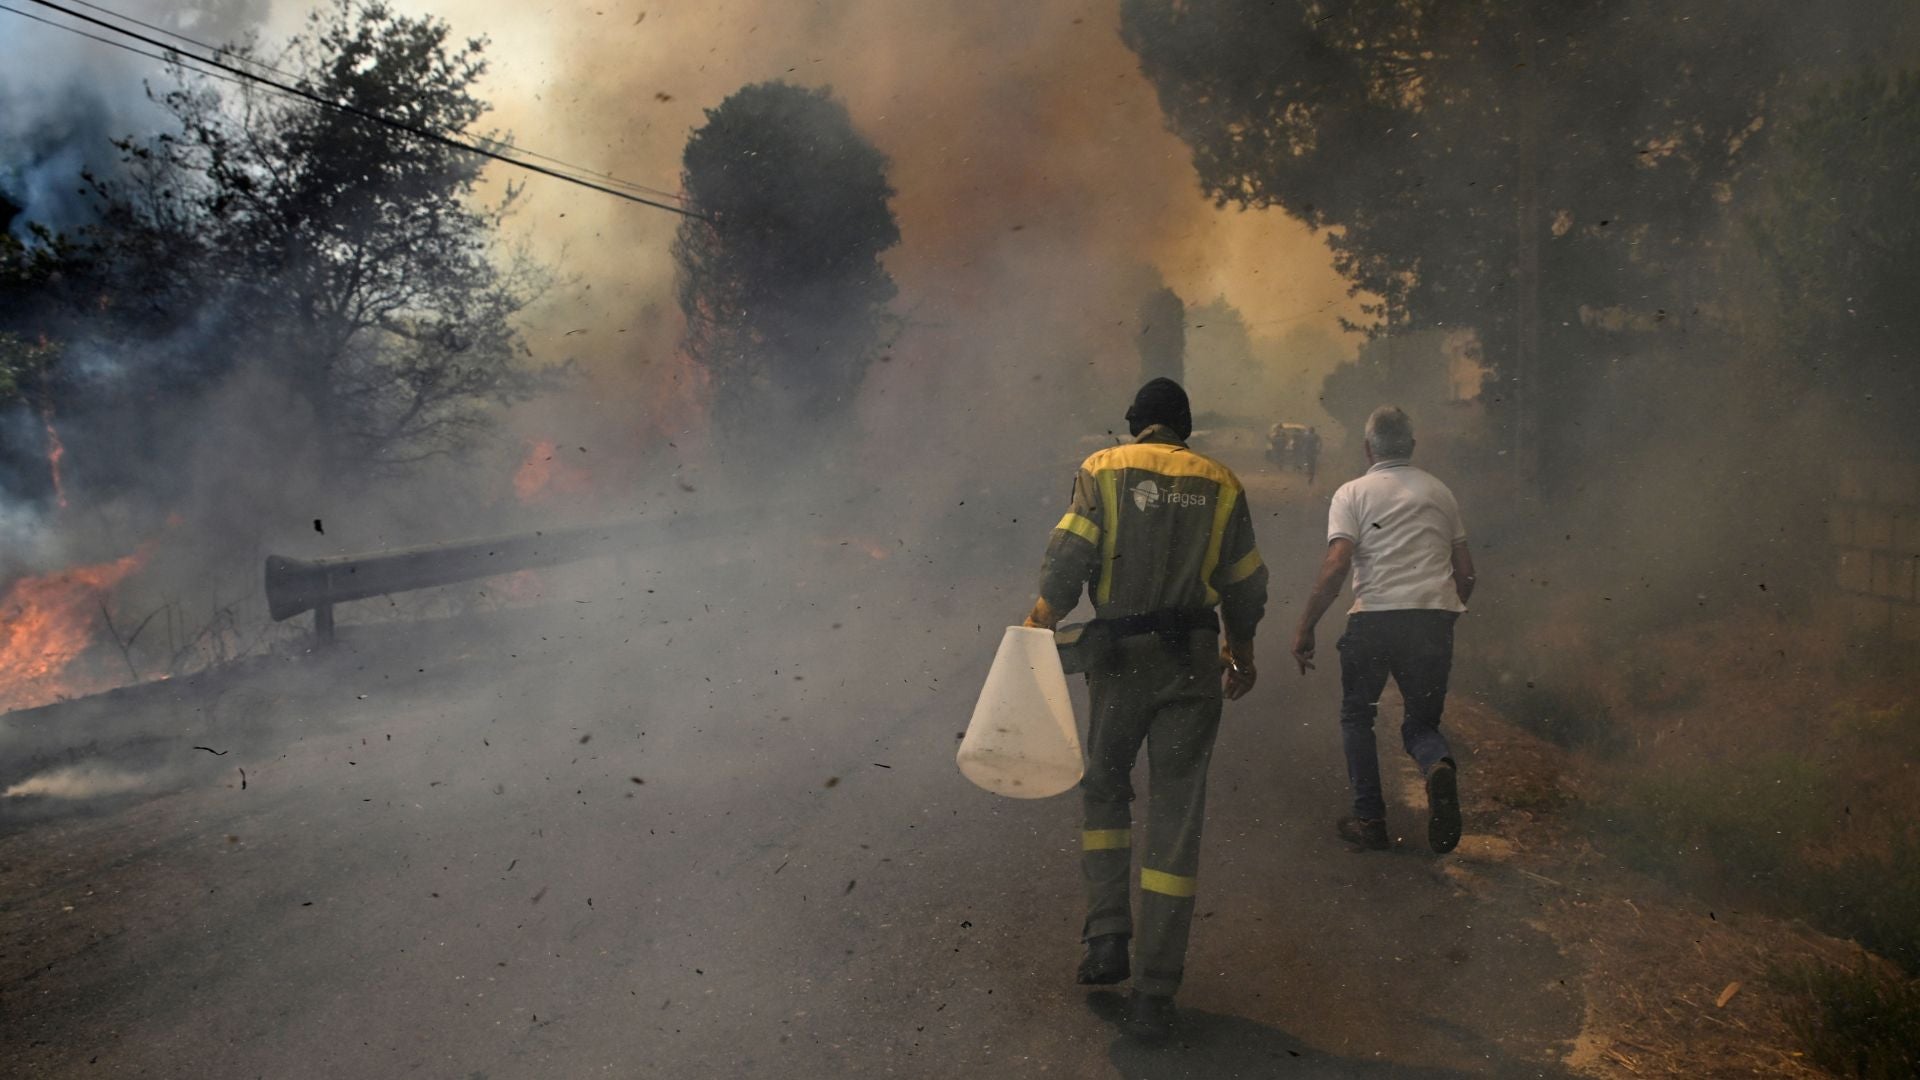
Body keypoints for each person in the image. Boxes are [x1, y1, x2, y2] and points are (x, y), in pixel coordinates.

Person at [1022, 377, 1267, 1042]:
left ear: (1137, 423)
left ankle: (1106, 937)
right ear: (1185, 427)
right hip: (1191, 659)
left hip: (1120, 657)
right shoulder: (1222, 482)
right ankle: (1156, 992)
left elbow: (1070, 556)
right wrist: (1240, 653)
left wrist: (1041, 619)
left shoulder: (1104, 468)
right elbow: (1245, 584)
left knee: (1104, 790)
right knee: (1176, 817)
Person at [1289, 406, 1475, 855]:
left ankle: (1370, 819)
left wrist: (1306, 626)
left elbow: (1336, 566)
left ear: (1368, 447)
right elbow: (1466, 574)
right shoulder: (1440, 492)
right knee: (1421, 722)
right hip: (1431, 621)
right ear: (1411, 445)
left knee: (1358, 716)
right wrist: (1443, 613)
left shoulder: (1352, 493)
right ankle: (1435, 765)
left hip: (1373, 622)